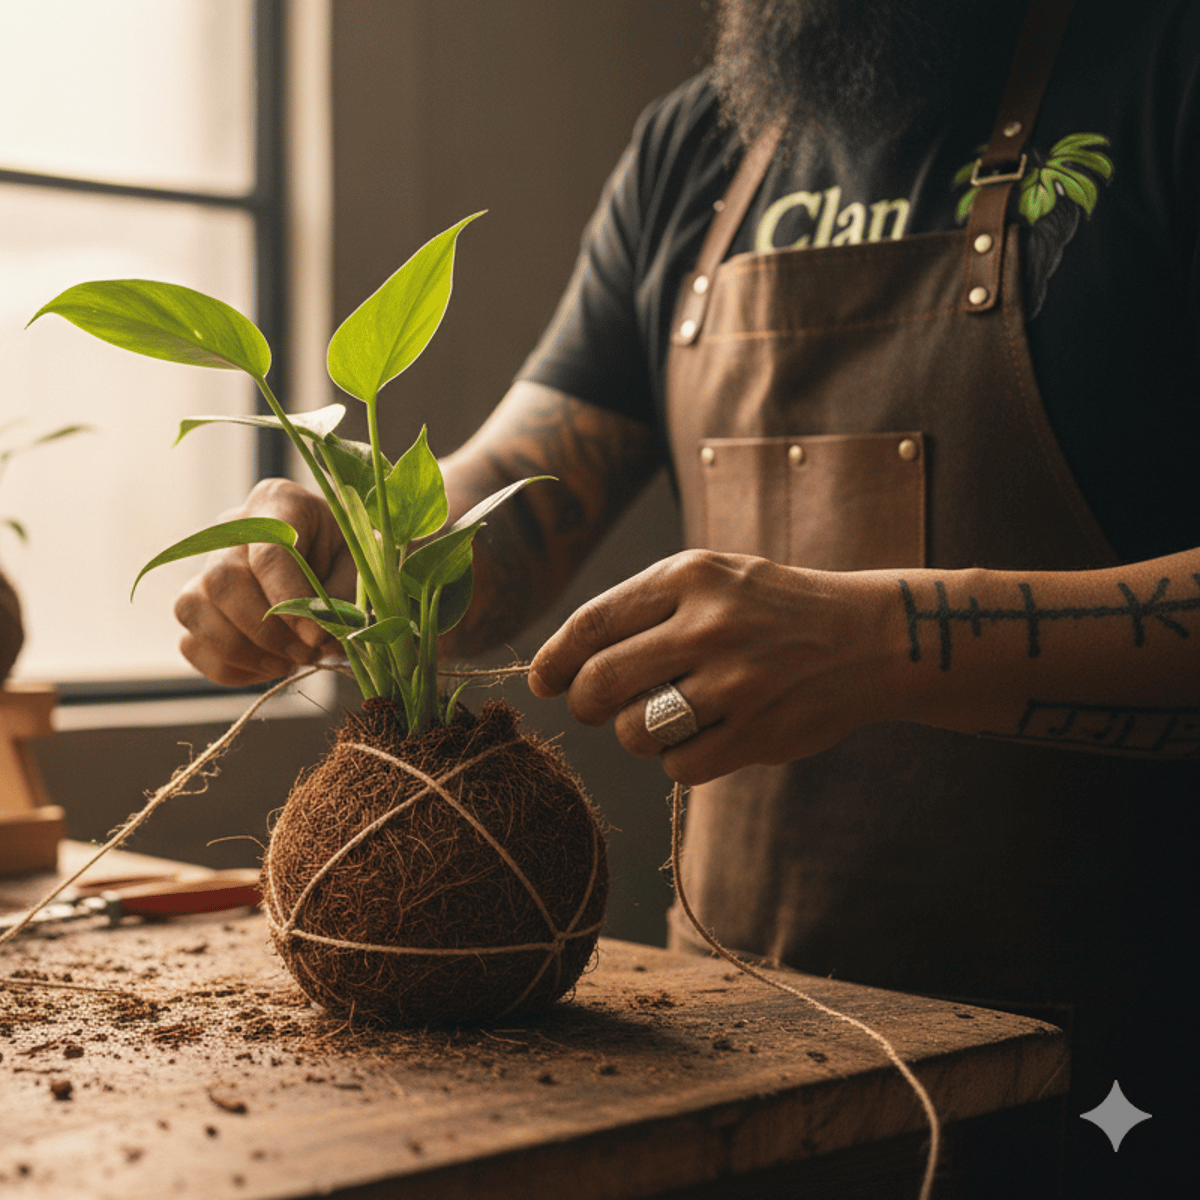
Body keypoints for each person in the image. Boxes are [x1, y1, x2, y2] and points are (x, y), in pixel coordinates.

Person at [172, 0, 1197, 1191]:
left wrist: (893, 641)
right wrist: (354, 555)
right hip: (746, 1038)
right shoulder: (697, 148)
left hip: (1117, 1060)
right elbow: (518, 490)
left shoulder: (1164, 68)